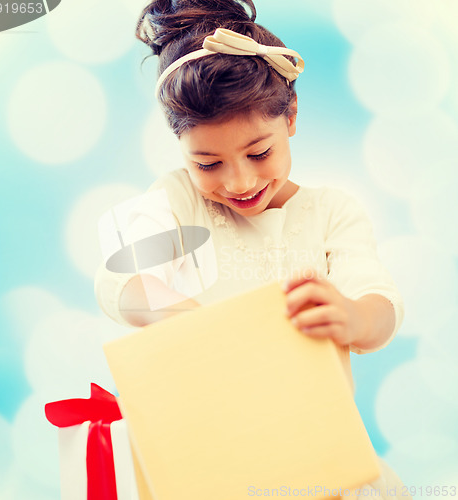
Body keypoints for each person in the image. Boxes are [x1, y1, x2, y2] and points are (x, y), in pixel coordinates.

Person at [95, 0, 409, 497]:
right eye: (207, 163)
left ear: (291, 116)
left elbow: (381, 306)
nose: (238, 181)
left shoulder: (330, 213)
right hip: (216, 470)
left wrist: (353, 316)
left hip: (320, 470)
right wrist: (186, 321)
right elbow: (117, 281)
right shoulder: (179, 200)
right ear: (181, 152)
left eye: (258, 152)